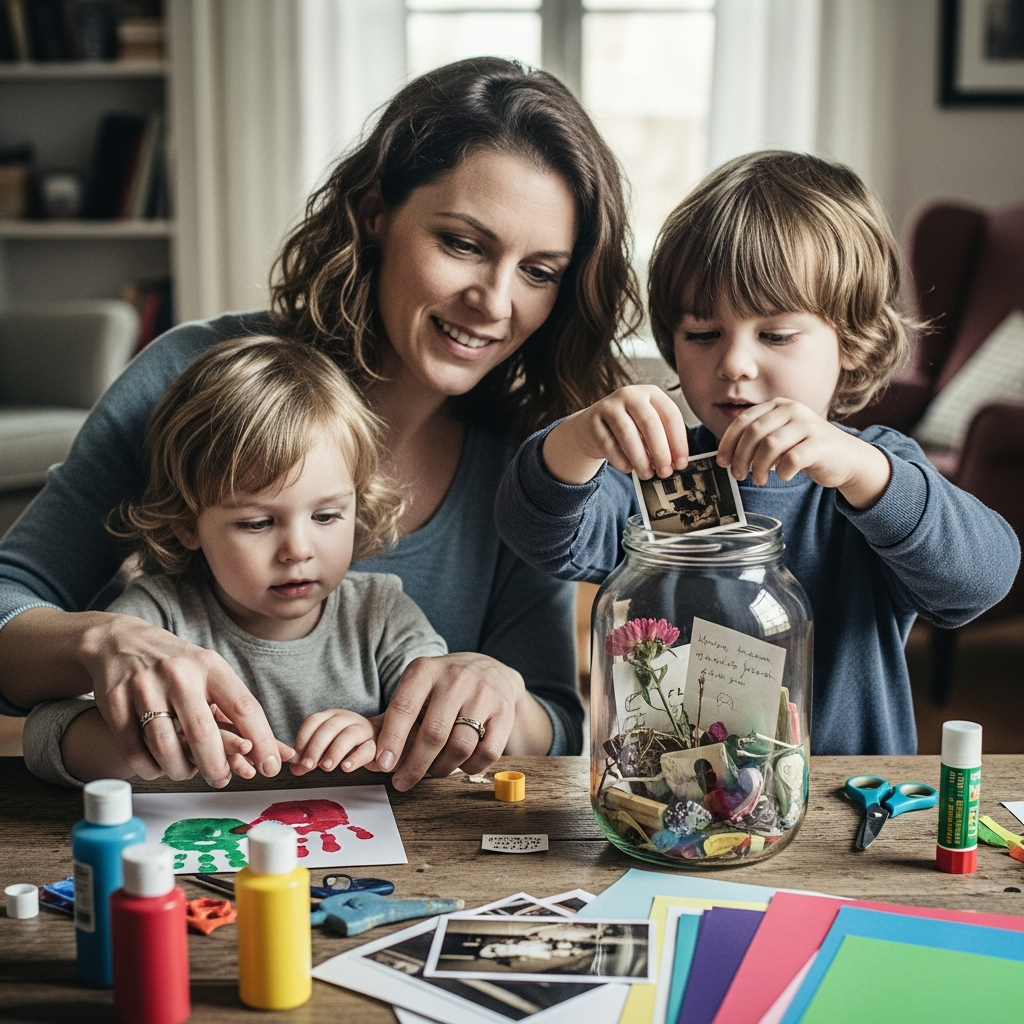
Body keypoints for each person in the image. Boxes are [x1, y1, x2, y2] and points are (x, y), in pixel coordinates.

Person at [0, 58, 641, 790]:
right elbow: (13, 599)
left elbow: (556, 721)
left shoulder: (532, 462)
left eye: (539, 271)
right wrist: (103, 642)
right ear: (374, 211)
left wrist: (497, 693)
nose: (495, 302)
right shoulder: (192, 376)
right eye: (463, 244)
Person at [495, 151, 1021, 755]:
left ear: (850, 341)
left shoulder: (874, 474)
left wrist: (867, 474)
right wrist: (576, 441)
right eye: (702, 334)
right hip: (672, 800)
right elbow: (536, 535)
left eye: (775, 334)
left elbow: (980, 582)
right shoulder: (661, 472)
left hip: (846, 798)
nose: (734, 363)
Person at [23, 336, 449, 788]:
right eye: (256, 523)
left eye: (326, 516)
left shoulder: (382, 615)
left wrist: (383, 733)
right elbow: (43, 737)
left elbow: (440, 721)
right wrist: (148, 743)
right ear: (187, 524)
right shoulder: (157, 619)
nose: (297, 550)